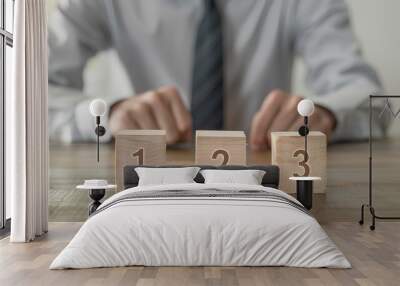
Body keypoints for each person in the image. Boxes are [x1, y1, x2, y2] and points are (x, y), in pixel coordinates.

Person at [48, 0, 387, 150]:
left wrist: (326, 114)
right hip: (142, 184)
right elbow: (25, 93)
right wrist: (108, 116)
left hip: (266, 184)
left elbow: (370, 98)